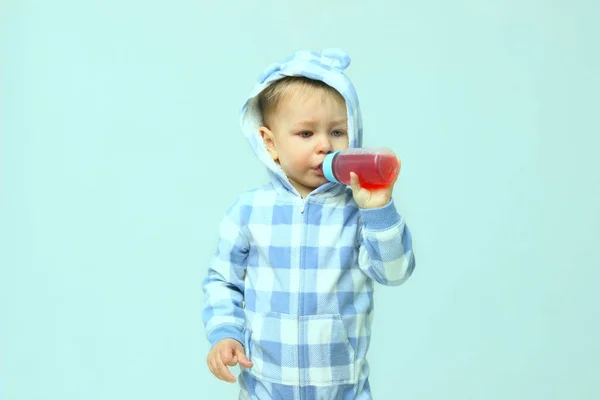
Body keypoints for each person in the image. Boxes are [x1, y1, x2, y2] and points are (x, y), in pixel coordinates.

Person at [202, 48, 416, 399]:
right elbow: (222, 281)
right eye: (305, 134)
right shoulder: (249, 211)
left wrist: (379, 210)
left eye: (337, 132)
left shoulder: (358, 212)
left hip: (342, 390)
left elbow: (395, 271)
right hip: (265, 390)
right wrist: (225, 332)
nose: (324, 146)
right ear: (270, 143)